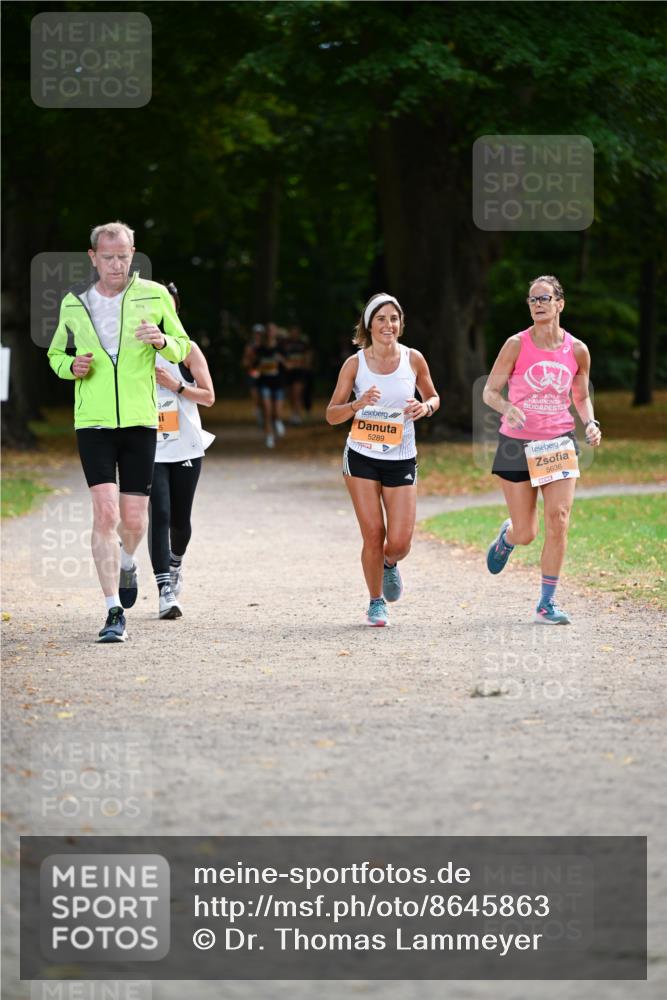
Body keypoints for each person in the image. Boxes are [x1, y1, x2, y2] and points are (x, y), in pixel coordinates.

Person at [47, 221, 191, 643]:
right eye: (108, 257)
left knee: (133, 518)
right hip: (92, 421)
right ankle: (113, 610)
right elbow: (57, 351)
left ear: (133, 254)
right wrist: (68, 366)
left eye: (124, 256)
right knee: (106, 513)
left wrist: (163, 342)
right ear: (93, 257)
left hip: (139, 420)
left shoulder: (155, 295)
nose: (116, 264)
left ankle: (128, 559)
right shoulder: (75, 303)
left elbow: (183, 345)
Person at [482, 274, 602, 624]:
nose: (537, 304)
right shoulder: (516, 345)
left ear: (560, 304)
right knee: (527, 533)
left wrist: (591, 423)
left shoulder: (577, 350)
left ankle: (546, 603)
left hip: (559, 441)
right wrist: (507, 408)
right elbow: (489, 392)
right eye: (533, 299)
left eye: (544, 298)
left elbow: (580, 396)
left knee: (559, 520)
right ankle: (508, 537)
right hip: (516, 445)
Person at [326, 293, 439, 626]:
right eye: (381, 319)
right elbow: (332, 415)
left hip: (402, 457)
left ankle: (389, 563)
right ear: (369, 325)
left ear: (401, 324)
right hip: (361, 455)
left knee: (400, 542)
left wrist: (426, 407)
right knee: (373, 533)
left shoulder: (413, 359)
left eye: (394, 318)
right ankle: (376, 601)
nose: (388, 325)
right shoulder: (355, 364)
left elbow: (433, 395)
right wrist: (356, 405)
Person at [149, 282, 215, 619]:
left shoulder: (188, 350)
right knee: (158, 514)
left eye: (168, 308)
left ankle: (175, 564)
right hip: (149, 445)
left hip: (186, 444)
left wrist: (176, 385)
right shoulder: (133, 348)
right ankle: (164, 590)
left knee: (179, 519)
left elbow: (209, 396)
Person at [254, 322, 287, 448]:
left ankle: (278, 421)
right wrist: (257, 370)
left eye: (273, 330)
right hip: (264, 384)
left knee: (277, 413)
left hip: (278, 384)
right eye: (269, 330)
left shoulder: (281, 348)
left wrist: (281, 360)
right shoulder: (260, 349)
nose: (270, 333)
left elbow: (288, 366)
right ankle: (269, 436)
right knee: (267, 411)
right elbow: (254, 368)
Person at [242, 324, 264, 426]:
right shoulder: (250, 346)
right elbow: (245, 361)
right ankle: (259, 411)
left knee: (264, 396)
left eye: (260, 333)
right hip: (254, 373)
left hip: (265, 374)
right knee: (255, 394)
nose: (258, 335)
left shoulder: (266, 345)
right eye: (256, 333)